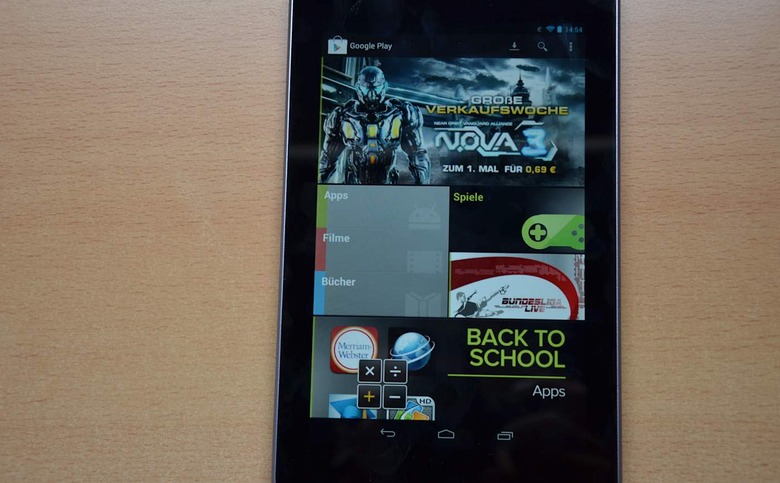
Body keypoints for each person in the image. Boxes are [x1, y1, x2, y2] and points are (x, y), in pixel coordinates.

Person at [319, 66, 430, 185]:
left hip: (387, 184)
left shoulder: (401, 113)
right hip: (353, 185)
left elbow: (418, 155)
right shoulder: (343, 116)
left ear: (384, 87)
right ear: (358, 88)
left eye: (376, 89)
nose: (372, 95)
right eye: (366, 89)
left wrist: (422, 187)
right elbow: (327, 159)